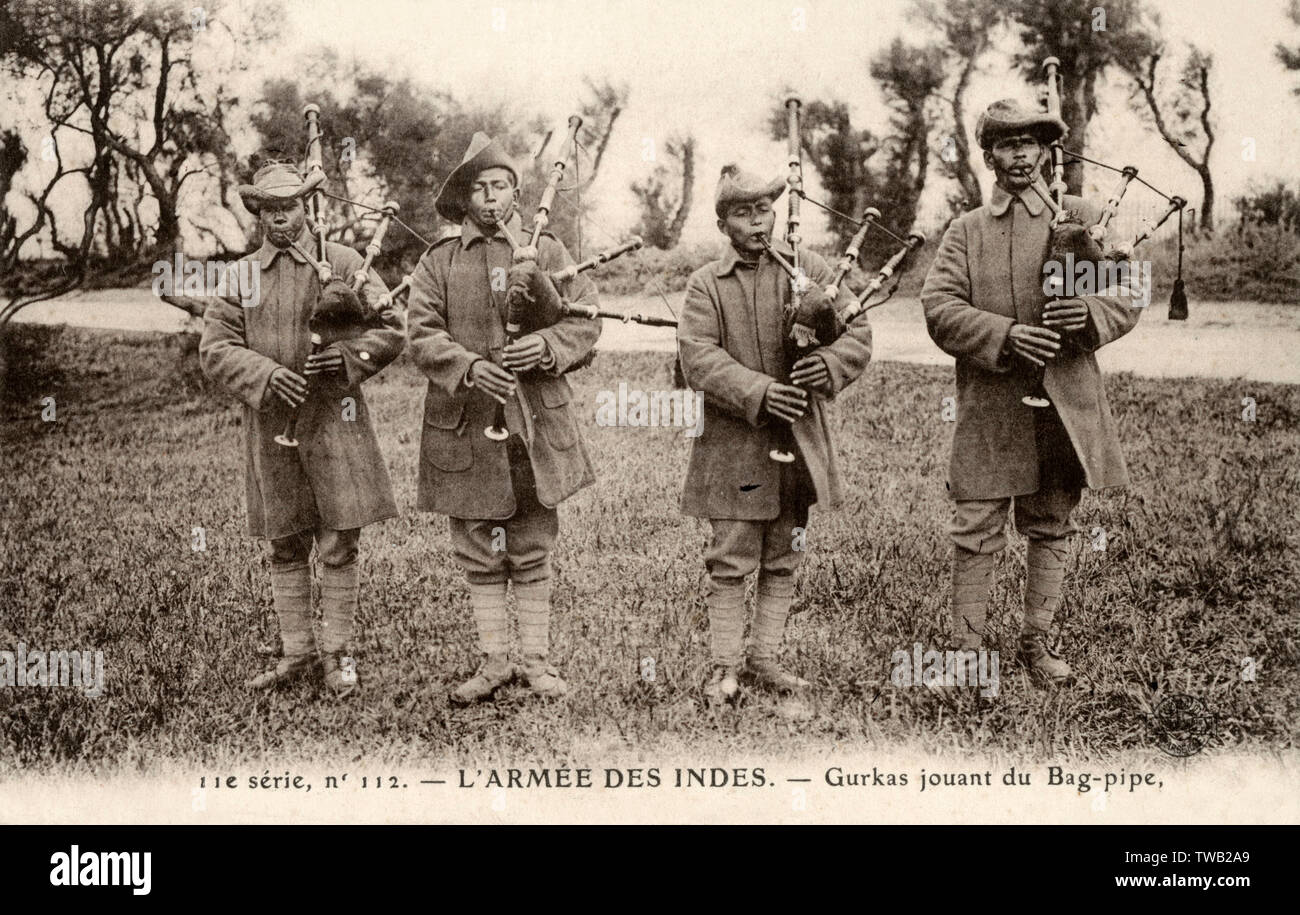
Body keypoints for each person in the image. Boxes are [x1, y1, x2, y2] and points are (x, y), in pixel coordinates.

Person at [921, 98, 1142, 685]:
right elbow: (940, 309)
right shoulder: (967, 231)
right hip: (992, 406)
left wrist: (1087, 312)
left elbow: (1128, 290)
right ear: (990, 155)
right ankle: (968, 653)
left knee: (1051, 521)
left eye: (1031, 144)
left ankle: (1037, 644)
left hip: (1064, 403)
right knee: (976, 523)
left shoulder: (1083, 218)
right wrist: (1007, 335)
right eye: (1007, 144)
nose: (1020, 155)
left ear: (1048, 151)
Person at [405, 133, 601, 704]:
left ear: (517, 193)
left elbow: (584, 322)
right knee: (479, 543)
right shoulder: (438, 261)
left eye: (502, 187)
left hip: (533, 422)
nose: (491, 199)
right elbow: (420, 334)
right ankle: (493, 662)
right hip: (465, 423)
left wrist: (544, 348)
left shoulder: (551, 253)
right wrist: (468, 367)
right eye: (480, 189)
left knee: (533, 537)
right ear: (464, 198)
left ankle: (536, 661)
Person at [200, 162, 405, 696]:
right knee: (284, 540)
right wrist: (265, 376)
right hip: (272, 427)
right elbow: (216, 348)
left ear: (305, 208)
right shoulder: (241, 275)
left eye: (288, 208)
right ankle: (297, 654)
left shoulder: (343, 262)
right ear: (259, 214)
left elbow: (392, 327)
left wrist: (347, 358)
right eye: (269, 211)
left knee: (339, 540)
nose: (280, 221)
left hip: (337, 421)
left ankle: (339, 655)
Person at [677, 165, 873, 704]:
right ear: (723, 225)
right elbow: (698, 357)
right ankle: (723, 665)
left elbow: (858, 329)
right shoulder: (705, 285)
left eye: (764, 209)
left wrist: (829, 364)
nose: (758, 220)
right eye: (744, 212)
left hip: (798, 441)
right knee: (732, 552)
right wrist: (759, 393)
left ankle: (765, 659)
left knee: (784, 550)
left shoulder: (810, 268)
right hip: (733, 445)